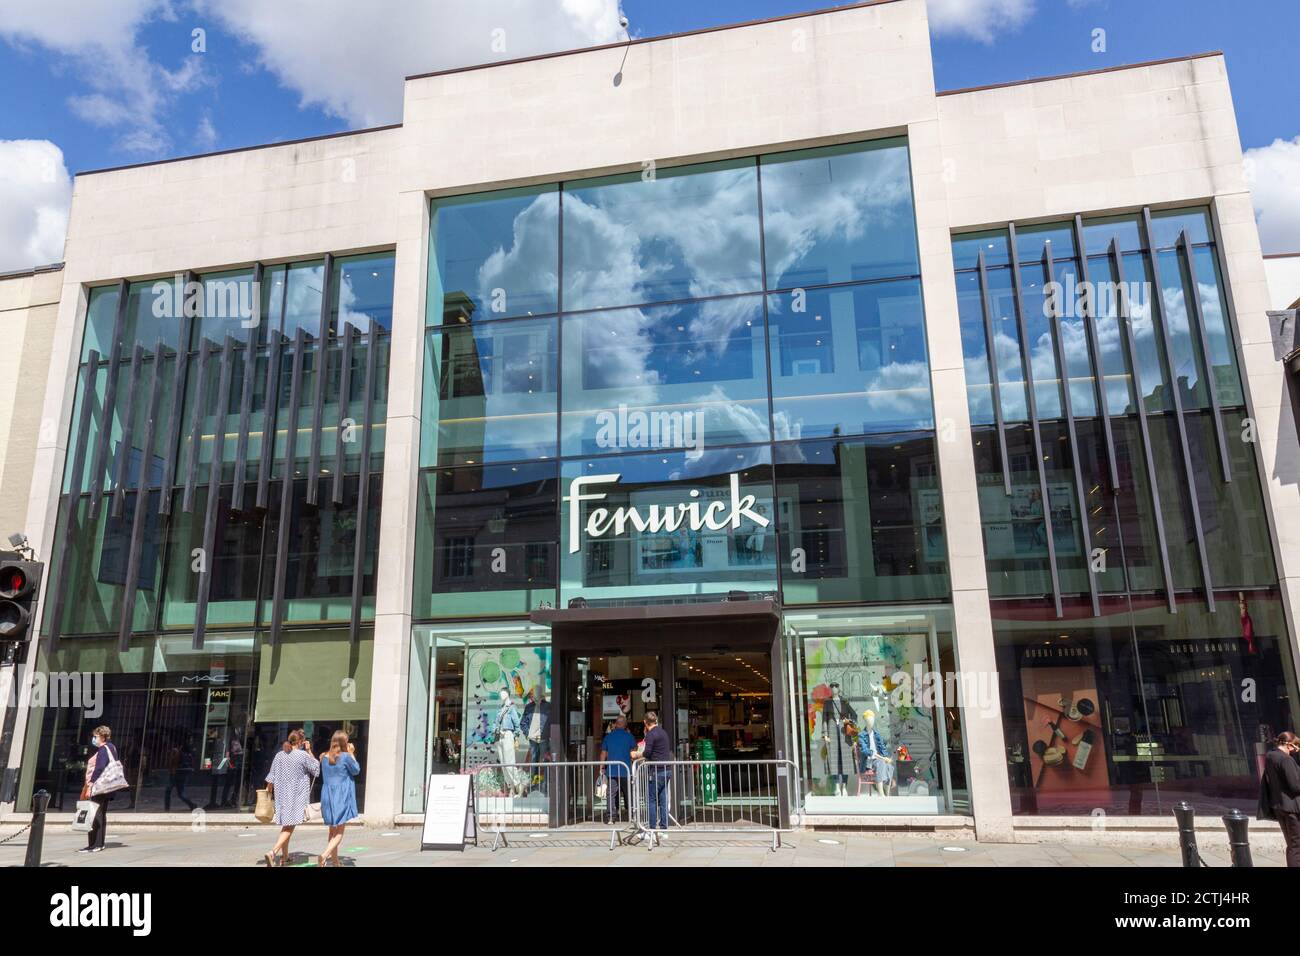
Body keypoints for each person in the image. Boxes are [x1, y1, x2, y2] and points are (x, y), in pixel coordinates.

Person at [263, 729, 319, 867]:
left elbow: (271, 777)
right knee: (289, 827)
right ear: (300, 742)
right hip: (296, 795)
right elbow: (316, 769)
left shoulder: (279, 755)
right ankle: (273, 852)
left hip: (282, 795)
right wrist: (309, 750)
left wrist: (268, 791)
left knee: (286, 826)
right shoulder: (302, 755)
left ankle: (286, 857)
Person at [317, 731, 361, 867]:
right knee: (340, 831)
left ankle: (335, 862)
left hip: (327, 795)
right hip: (341, 796)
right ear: (344, 742)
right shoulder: (346, 756)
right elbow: (356, 770)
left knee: (332, 831)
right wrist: (352, 753)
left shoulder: (324, 756)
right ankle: (325, 855)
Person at [1258, 730, 1300, 867]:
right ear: (1289, 745)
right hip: (1292, 808)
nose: (1297, 750)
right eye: (1296, 747)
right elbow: (1295, 786)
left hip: (1279, 806)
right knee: (1297, 846)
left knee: (1292, 844)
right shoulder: (1286, 759)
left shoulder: (1271, 756)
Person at [79, 725, 122, 854]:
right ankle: (99, 843)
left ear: (102, 736)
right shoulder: (112, 747)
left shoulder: (103, 749)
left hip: (99, 786)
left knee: (95, 815)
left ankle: (94, 844)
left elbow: (100, 767)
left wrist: (91, 784)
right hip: (106, 787)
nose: (94, 739)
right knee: (101, 814)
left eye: (95, 736)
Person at [633, 710, 673, 832]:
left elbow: (647, 753)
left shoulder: (651, 734)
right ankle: (664, 828)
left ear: (645, 722)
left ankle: (651, 829)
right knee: (663, 799)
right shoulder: (663, 732)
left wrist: (636, 754)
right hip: (666, 770)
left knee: (650, 800)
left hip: (656, 771)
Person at [599, 715, 635, 823]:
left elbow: (603, 753)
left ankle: (611, 817)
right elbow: (634, 751)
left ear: (615, 724)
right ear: (625, 725)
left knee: (611, 794)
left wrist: (601, 767)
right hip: (626, 771)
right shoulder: (629, 736)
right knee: (628, 793)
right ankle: (632, 815)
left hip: (612, 770)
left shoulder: (608, 737)